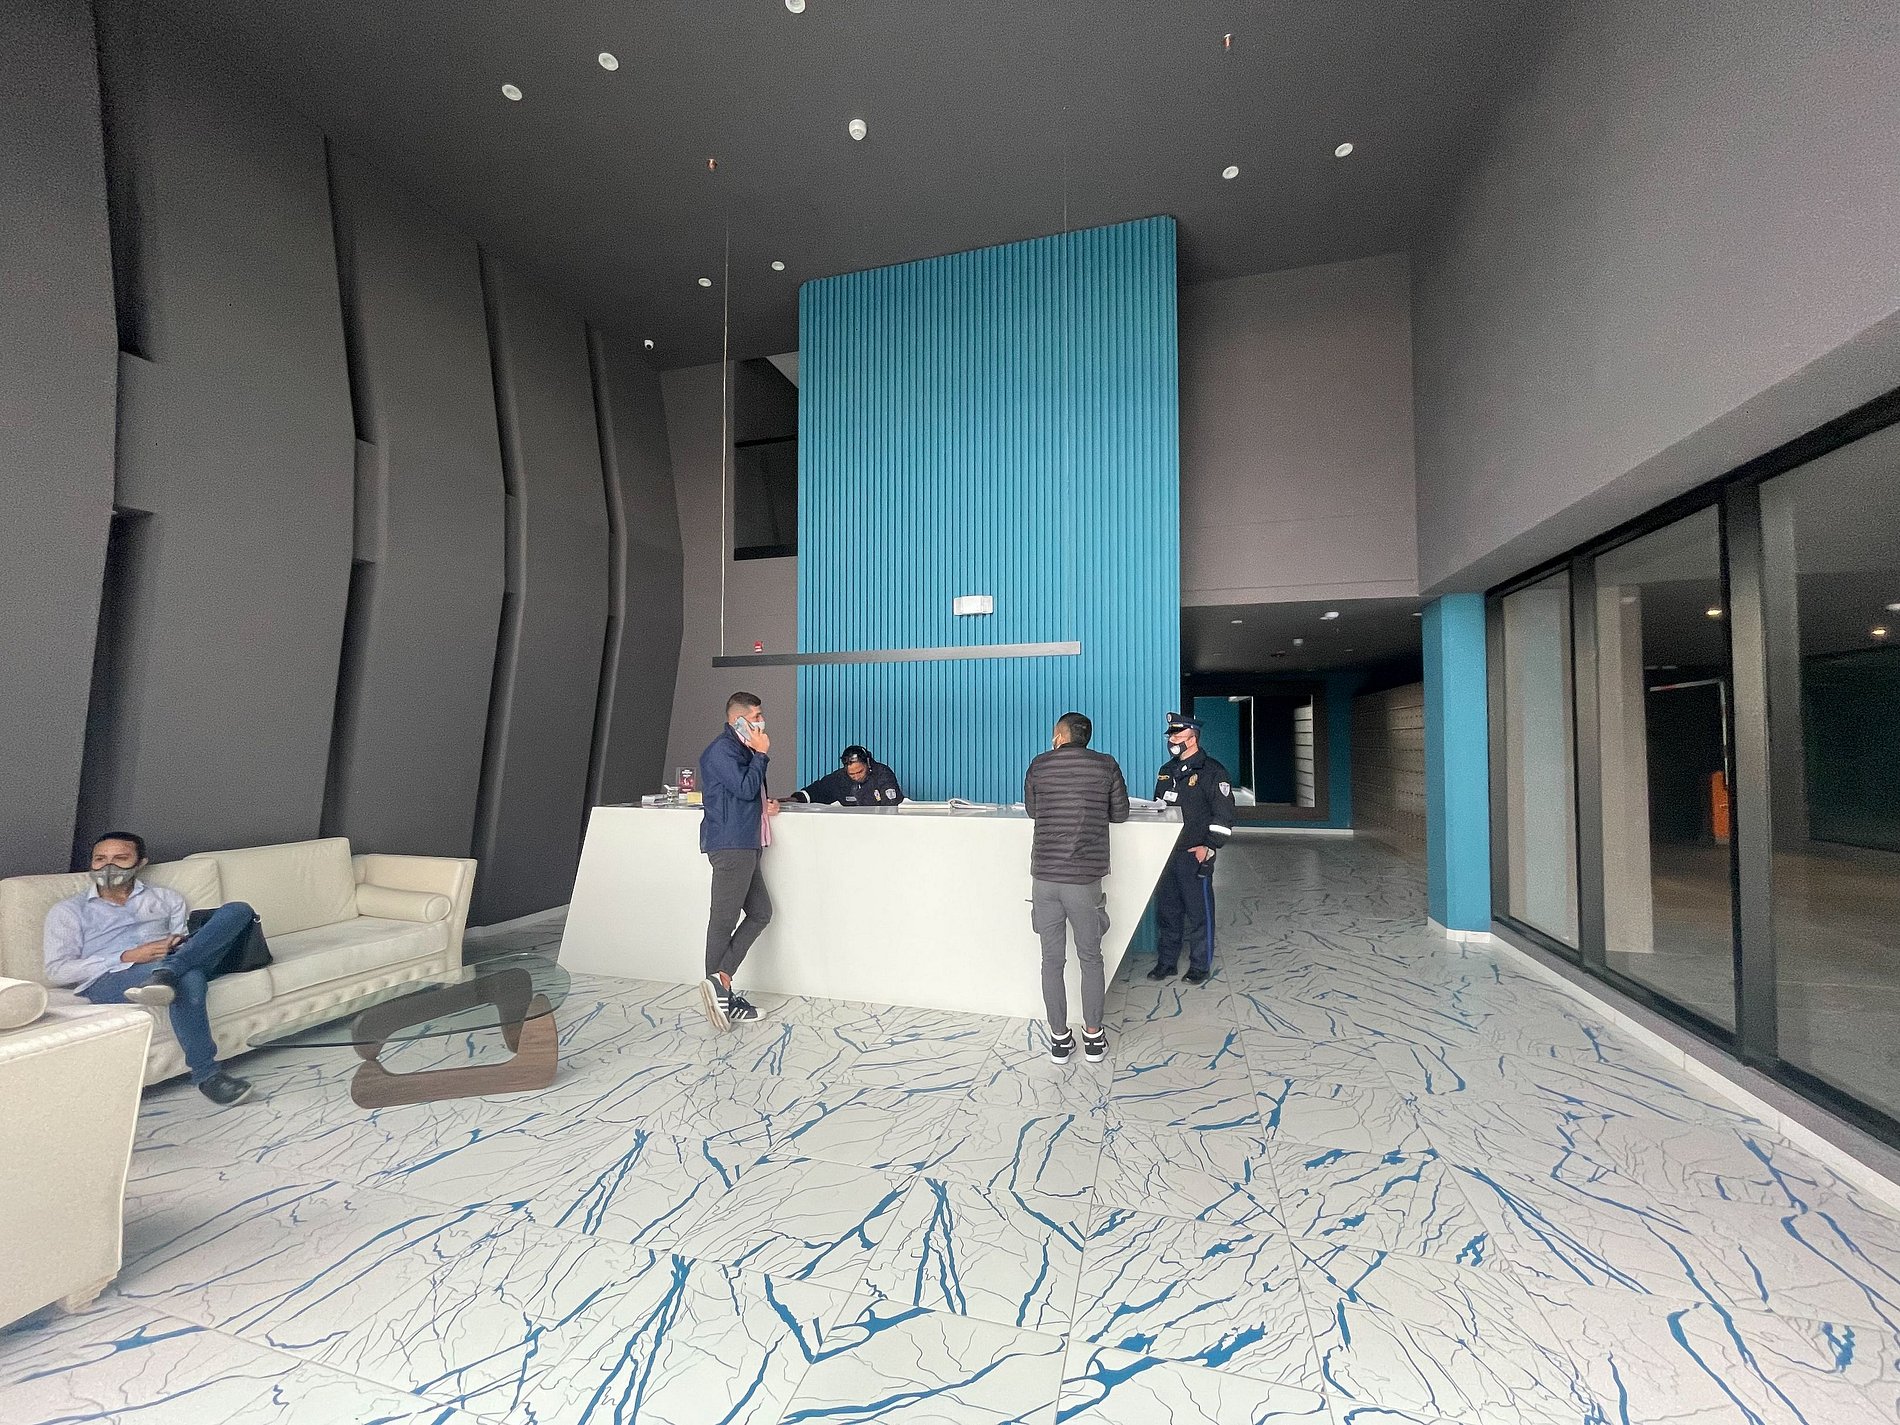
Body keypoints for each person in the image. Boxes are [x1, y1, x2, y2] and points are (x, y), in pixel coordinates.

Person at [42, 832, 261, 1106]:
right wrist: (127, 956)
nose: (108, 866)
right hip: (109, 977)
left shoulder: (166, 899)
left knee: (238, 910)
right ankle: (207, 1075)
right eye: (100, 859)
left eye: (120, 858)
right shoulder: (68, 911)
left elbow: (186, 939)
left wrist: (175, 944)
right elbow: (57, 970)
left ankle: (168, 971)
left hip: (170, 960)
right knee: (189, 977)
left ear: (140, 862)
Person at [1023, 711, 1129, 1064]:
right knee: (1091, 958)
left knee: (1051, 961)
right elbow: (1120, 813)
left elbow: (1033, 811)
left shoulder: (1039, 764)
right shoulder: (1106, 765)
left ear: (1060, 735)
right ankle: (1094, 1039)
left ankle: (1059, 1040)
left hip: (1045, 878)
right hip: (1084, 880)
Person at [697, 691, 781, 1031]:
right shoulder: (722, 750)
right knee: (724, 920)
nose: (761, 722)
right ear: (738, 720)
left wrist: (767, 803)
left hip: (745, 843)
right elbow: (744, 788)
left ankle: (720, 982)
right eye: (756, 716)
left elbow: (747, 793)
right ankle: (721, 989)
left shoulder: (740, 749)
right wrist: (761, 755)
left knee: (761, 912)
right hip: (731, 846)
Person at [1150, 712, 1237, 985]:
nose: (1172, 740)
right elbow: (1159, 808)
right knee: (1168, 911)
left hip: (1194, 855)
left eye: (1177, 734)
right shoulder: (1167, 770)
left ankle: (1200, 965)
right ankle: (1167, 962)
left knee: (1199, 913)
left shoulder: (1213, 771)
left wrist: (1209, 847)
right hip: (1167, 855)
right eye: (1171, 735)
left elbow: (1224, 816)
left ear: (1192, 737)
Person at [790, 745, 905, 807]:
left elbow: (891, 807)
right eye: (852, 774)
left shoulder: (882, 774)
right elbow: (818, 790)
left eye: (860, 772)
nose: (856, 777)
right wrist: (795, 799)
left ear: (868, 764)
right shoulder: (840, 778)